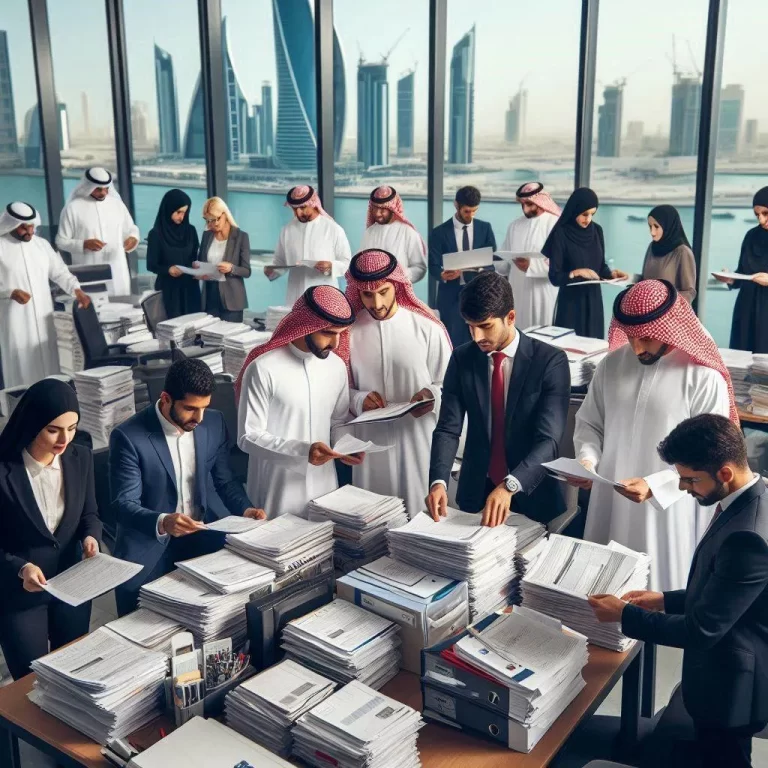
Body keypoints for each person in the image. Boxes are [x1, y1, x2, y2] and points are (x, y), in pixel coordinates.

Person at [589, 414, 768, 768]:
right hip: (728, 671)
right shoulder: (753, 497)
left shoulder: (747, 536)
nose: (684, 487)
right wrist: (664, 599)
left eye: (689, 479)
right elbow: (726, 595)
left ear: (725, 473)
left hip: (732, 687)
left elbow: (701, 630)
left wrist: (625, 615)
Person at [572, 279, 735, 591]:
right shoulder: (611, 365)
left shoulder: (703, 377)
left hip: (671, 511)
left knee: (660, 599)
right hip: (611, 500)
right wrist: (587, 460)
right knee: (602, 597)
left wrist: (655, 484)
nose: (636, 347)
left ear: (667, 327)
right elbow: (590, 422)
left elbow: (709, 454)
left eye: (646, 337)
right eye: (631, 337)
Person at [110, 359, 264, 616]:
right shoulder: (128, 436)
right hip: (149, 546)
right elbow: (123, 504)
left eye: (204, 408)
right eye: (191, 409)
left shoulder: (213, 423)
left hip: (204, 535)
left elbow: (225, 481)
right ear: (166, 398)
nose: (199, 418)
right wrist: (163, 521)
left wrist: (246, 509)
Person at [426, 271, 569, 527]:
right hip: (475, 493)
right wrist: (439, 481)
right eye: (470, 326)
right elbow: (448, 428)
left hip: (531, 493)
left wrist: (510, 485)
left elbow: (548, 441)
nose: (477, 337)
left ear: (510, 317)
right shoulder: (462, 359)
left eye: (485, 326)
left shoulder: (550, 362)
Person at [0, 379, 102, 680]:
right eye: (54, 429)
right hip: (19, 594)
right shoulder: (4, 469)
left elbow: (91, 514)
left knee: (72, 674)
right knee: (32, 682)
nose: (65, 439)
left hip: (72, 584)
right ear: (33, 424)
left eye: (71, 428)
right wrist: (20, 567)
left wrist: (91, 537)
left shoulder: (80, 457)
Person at [236, 285, 363, 519]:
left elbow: (338, 421)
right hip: (275, 488)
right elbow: (247, 436)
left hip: (325, 486)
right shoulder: (263, 368)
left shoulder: (335, 367)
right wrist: (302, 452)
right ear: (306, 326)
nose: (336, 343)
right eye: (328, 333)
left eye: (340, 333)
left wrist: (347, 446)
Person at [344, 249, 452, 517]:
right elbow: (336, 388)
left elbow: (450, 385)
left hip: (416, 439)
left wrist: (431, 394)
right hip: (370, 443)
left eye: (383, 292)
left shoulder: (427, 328)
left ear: (398, 285)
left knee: (419, 516)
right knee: (369, 519)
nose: (376, 302)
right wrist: (358, 398)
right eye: (367, 295)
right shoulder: (349, 331)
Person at [0, 202, 91, 388]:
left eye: (32, 226)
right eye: (24, 227)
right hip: (14, 321)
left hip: (44, 317)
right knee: (21, 364)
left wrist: (77, 290)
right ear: (11, 224)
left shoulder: (41, 245)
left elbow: (60, 272)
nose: (30, 231)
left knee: (49, 362)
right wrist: (10, 292)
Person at [544, 187, 627, 338]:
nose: (588, 219)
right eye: (584, 214)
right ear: (575, 210)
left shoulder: (597, 231)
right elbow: (554, 277)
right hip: (570, 304)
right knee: (569, 349)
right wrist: (576, 272)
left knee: (592, 349)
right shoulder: (561, 234)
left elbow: (600, 267)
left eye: (592, 214)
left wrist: (611, 274)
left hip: (593, 302)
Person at [428, 186, 497, 347]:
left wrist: (482, 269)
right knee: (451, 342)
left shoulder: (484, 228)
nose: (471, 215)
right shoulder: (439, 233)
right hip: (451, 297)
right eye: (467, 211)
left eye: (475, 211)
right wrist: (442, 275)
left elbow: (493, 261)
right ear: (456, 205)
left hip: (479, 295)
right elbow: (433, 266)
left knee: (480, 340)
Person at [55, 167, 139, 296]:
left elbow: (131, 229)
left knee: (123, 311)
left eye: (106, 188)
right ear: (88, 186)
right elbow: (61, 241)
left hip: (118, 271)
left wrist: (133, 238)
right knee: (93, 310)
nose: (104, 193)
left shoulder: (117, 205)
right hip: (89, 272)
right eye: (98, 189)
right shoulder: (73, 208)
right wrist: (83, 245)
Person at [264, 186, 352, 306]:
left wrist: (331, 266)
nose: (298, 213)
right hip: (296, 295)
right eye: (294, 209)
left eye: (302, 207)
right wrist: (272, 271)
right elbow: (280, 261)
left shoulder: (333, 229)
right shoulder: (287, 230)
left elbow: (346, 262)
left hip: (325, 296)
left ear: (314, 204)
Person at [495, 182, 561, 330]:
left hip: (543, 292)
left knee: (543, 334)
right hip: (517, 290)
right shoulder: (515, 225)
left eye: (530, 204)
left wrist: (531, 266)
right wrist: (495, 263)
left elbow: (561, 262)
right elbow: (504, 260)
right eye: (523, 204)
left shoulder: (556, 225)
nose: (525, 209)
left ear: (540, 201)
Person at [715, 187, 768, 352]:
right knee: (742, 363)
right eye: (757, 215)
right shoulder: (751, 236)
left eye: (765, 213)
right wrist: (730, 278)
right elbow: (743, 273)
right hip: (746, 309)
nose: (761, 220)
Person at [146, 189, 201, 318]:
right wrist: (168, 269)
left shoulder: (191, 231)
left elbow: (194, 256)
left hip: (190, 288)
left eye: (185, 212)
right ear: (168, 209)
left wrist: (197, 266)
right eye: (178, 212)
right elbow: (151, 264)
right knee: (171, 327)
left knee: (194, 326)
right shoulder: (155, 234)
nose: (181, 217)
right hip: (168, 290)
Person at [195, 197, 250, 323]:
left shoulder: (241, 237)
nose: (211, 224)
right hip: (210, 297)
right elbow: (201, 262)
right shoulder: (207, 235)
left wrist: (232, 268)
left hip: (232, 300)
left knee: (230, 340)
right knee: (209, 338)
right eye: (207, 220)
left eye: (214, 220)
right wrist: (198, 269)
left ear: (224, 214)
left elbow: (247, 271)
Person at [359, 186, 427, 283]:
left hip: (398, 293)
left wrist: (397, 276)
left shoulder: (407, 232)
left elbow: (420, 268)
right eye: (375, 209)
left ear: (392, 209)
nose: (378, 214)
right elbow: (360, 261)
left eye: (382, 209)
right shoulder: (370, 232)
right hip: (371, 292)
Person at [641, 204, 696, 303]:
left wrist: (663, 302)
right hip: (647, 313)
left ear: (668, 225)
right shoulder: (652, 247)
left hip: (669, 315)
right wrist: (629, 277)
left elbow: (689, 292)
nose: (652, 232)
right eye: (650, 226)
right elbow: (646, 280)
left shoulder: (682, 252)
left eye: (656, 227)